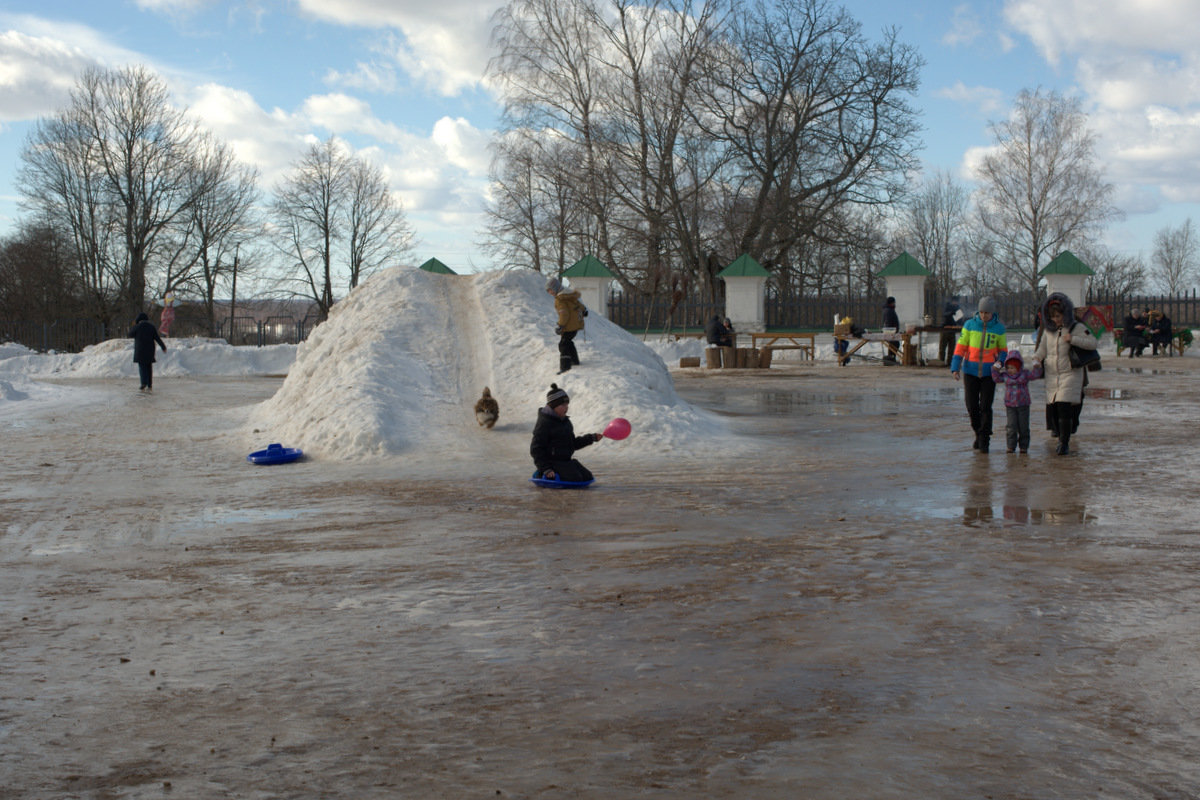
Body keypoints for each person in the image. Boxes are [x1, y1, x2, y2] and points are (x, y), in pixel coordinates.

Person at [1034, 293, 1097, 456]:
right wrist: (1036, 358)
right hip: (1052, 374)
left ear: (1065, 314)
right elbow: (1042, 348)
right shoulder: (1049, 331)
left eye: (1059, 316)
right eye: (1053, 316)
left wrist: (1073, 339)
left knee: (1064, 407)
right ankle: (1061, 436)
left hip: (1070, 373)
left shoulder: (1076, 327)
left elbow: (1092, 343)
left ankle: (1064, 443)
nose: (1056, 319)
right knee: (1055, 409)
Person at [950, 295, 1007, 453]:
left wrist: (1000, 362)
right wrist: (955, 367)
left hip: (990, 373)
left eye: (987, 313)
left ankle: (984, 439)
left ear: (992, 313)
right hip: (970, 371)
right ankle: (978, 432)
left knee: (985, 407)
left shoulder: (999, 328)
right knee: (971, 406)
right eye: (981, 312)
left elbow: (1003, 351)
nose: (984, 316)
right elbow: (960, 348)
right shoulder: (969, 325)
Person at [530, 383, 602, 482]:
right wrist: (546, 468)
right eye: (563, 405)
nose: (566, 408)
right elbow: (536, 449)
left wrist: (591, 438)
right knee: (575, 479)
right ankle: (541, 473)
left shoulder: (565, 422)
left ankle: (561, 471)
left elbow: (572, 443)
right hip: (552, 463)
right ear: (553, 406)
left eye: (567, 404)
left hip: (566, 462)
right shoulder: (544, 423)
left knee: (587, 477)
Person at [991, 349, 1042, 454]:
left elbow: (1035, 375)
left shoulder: (1024, 374)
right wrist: (994, 369)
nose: (1010, 370)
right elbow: (996, 378)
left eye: (1012, 368)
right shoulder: (1005, 376)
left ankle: (1023, 446)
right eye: (1008, 367)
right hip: (1010, 406)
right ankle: (1010, 446)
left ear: (1018, 367)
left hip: (1023, 404)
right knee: (1011, 426)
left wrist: (1037, 367)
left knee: (1023, 427)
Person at [546, 277, 586, 374]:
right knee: (568, 341)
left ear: (555, 288)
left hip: (569, 326)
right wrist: (584, 310)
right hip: (575, 325)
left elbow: (564, 314)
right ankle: (574, 360)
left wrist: (560, 325)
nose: (550, 293)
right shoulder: (568, 294)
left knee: (563, 344)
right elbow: (578, 304)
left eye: (550, 290)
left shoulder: (560, 299)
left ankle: (565, 366)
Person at [128, 311, 167, 392]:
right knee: (149, 367)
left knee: (142, 367)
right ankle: (149, 384)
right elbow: (157, 338)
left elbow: (130, 334)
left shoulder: (137, 327)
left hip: (140, 350)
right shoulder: (151, 327)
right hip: (150, 350)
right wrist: (163, 346)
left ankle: (143, 383)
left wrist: (133, 326)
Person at [938, 297, 961, 364]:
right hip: (945, 329)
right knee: (942, 347)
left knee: (951, 348)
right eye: (955, 302)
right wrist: (951, 313)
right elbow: (945, 315)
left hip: (952, 330)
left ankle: (949, 362)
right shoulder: (947, 306)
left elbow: (959, 319)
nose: (956, 303)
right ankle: (941, 361)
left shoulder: (957, 308)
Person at [881, 296, 901, 364]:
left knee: (893, 345)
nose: (894, 304)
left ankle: (891, 358)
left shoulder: (888, 309)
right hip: (890, 331)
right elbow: (888, 322)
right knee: (894, 344)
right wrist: (891, 330)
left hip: (891, 330)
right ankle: (891, 358)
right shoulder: (889, 310)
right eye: (893, 303)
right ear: (891, 303)